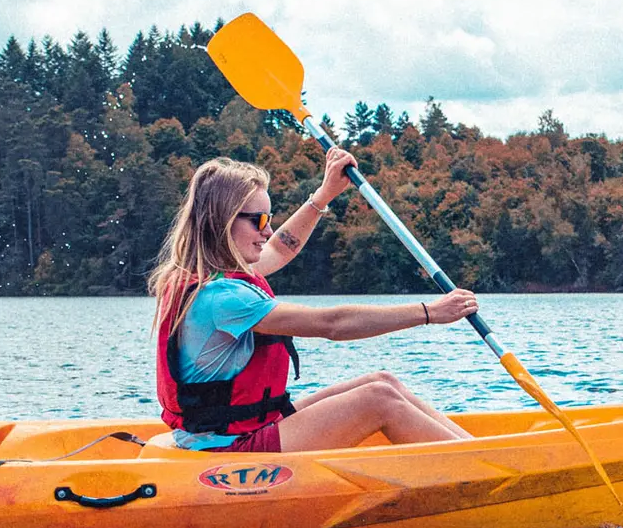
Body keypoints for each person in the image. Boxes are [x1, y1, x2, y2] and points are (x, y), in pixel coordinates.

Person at [149, 149, 478, 453]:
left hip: (245, 427)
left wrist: (326, 193)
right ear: (223, 221)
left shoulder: (208, 272)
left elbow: (280, 249)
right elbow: (331, 325)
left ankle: (480, 452)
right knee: (379, 400)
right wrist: (429, 312)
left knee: (382, 382)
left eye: (270, 219)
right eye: (259, 221)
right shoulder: (221, 297)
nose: (268, 230)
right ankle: (483, 469)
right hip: (229, 446)